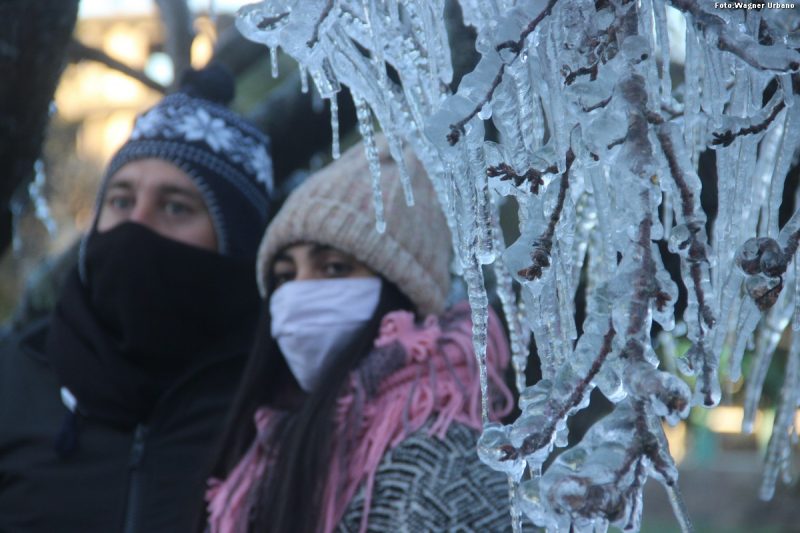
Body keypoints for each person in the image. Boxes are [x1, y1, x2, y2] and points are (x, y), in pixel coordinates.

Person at [0, 65, 274, 533]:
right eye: (121, 201)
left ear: (238, 244)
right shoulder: (14, 377)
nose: (136, 225)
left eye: (175, 207)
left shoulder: (276, 401)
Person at [205, 138, 515, 533]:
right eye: (285, 276)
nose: (299, 292)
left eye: (334, 268)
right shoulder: (272, 444)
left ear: (404, 293)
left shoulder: (441, 459)